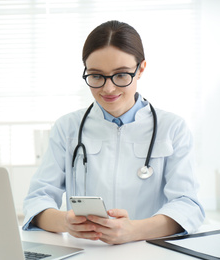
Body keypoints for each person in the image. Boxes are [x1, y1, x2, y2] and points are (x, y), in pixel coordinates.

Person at [22, 20, 205, 245]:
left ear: (141, 69)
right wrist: (65, 222)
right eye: (96, 76)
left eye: (120, 75)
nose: (108, 89)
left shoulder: (173, 128)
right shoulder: (67, 128)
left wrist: (134, 230)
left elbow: (188, 205)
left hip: (149, 252)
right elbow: (37, 199)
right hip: (86, 253)